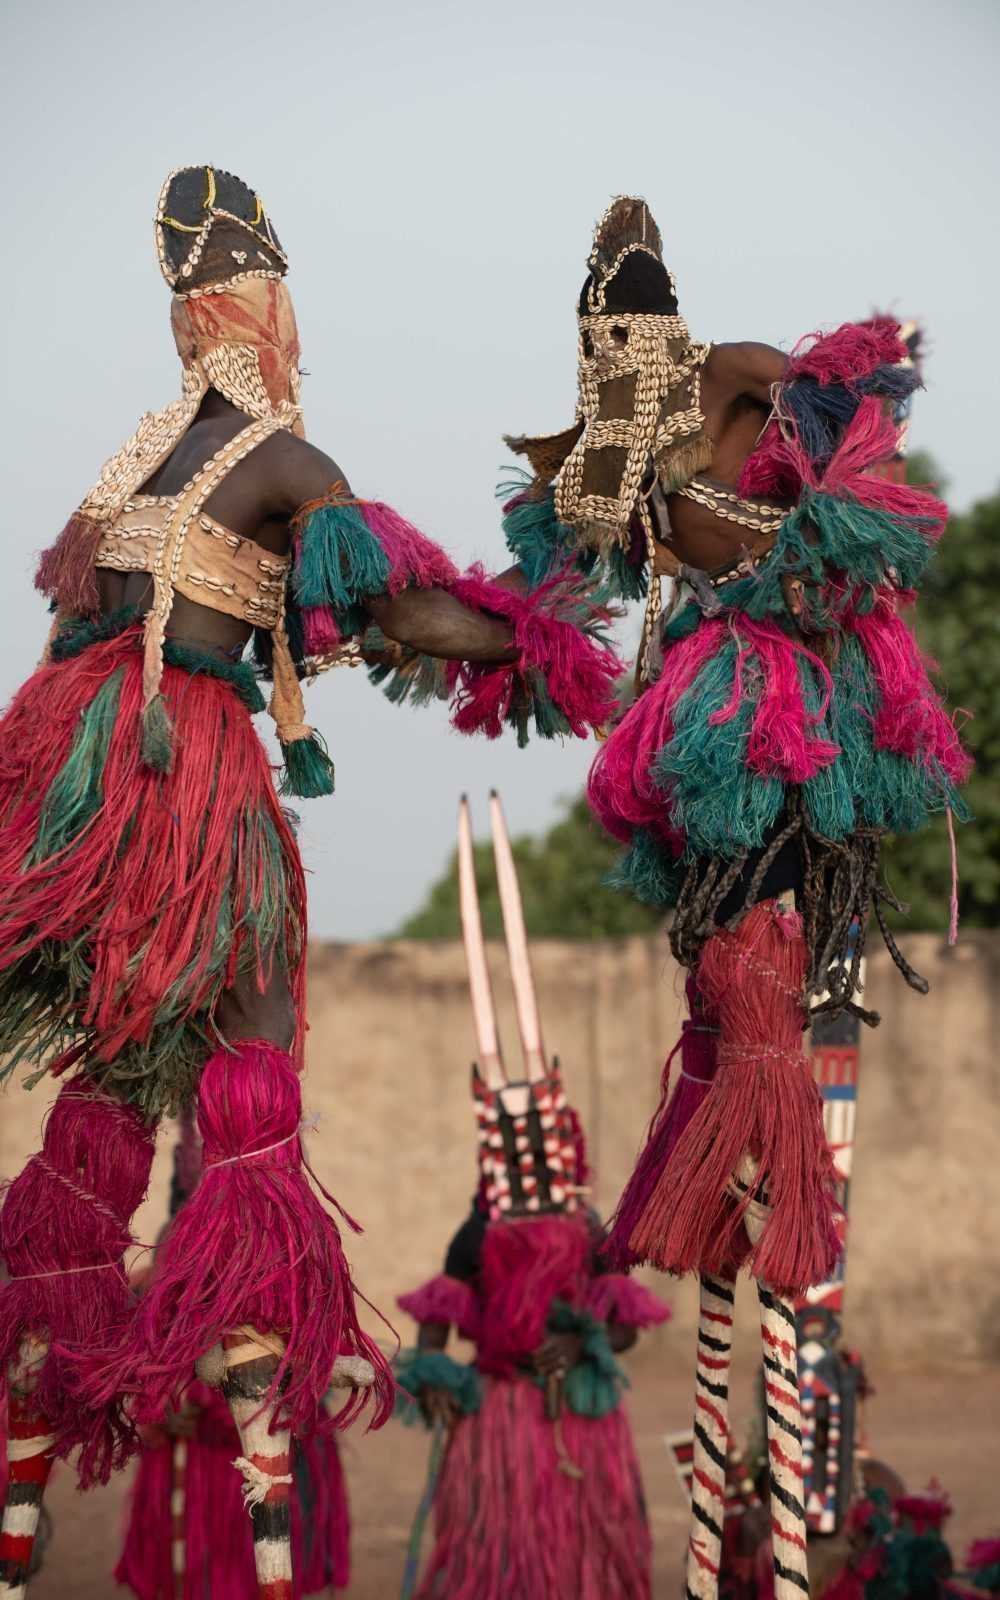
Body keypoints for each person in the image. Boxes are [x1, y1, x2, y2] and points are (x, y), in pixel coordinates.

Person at [0, 166, 620, 1596]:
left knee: (104, 1118)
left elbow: (112, 624)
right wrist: (538, 631)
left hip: (92, 811)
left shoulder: (133, 469)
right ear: (264, 315)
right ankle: (266, 1517)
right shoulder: (282, 461)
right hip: (191, 796)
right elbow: (401, 612)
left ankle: (19, 1524)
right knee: (250, 1112)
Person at [498, 195, 969, 1600]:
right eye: (600, 341)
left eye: (629, 331)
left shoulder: (735, 380)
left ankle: (778, 1229)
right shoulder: (607, 458)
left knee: (773, 996)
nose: (618, 357)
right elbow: (549, 589)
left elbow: (855, 404)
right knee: (726, 985)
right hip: (713, 725)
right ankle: (729, 1485)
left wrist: (815, 519)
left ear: (666, 327)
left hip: (793, 714)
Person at [395, 794, 669, 1600]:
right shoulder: (477, 1230)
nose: (523, 1152)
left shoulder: (588, 1228)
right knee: (498, 1561)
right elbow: (439, 1316)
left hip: (580, 1419)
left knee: (586, 1560)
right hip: (500, 1417)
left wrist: (582, 1349)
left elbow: (624, 1329)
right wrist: (436, 1379)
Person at [116, 1116, 350, 1599]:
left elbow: (318, 1325)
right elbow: (157, 1335)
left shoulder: (294, 1231)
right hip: (198, 1440)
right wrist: (161, 1406)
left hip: (275, 1424)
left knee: (267, 1563)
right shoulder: (182, 1236)